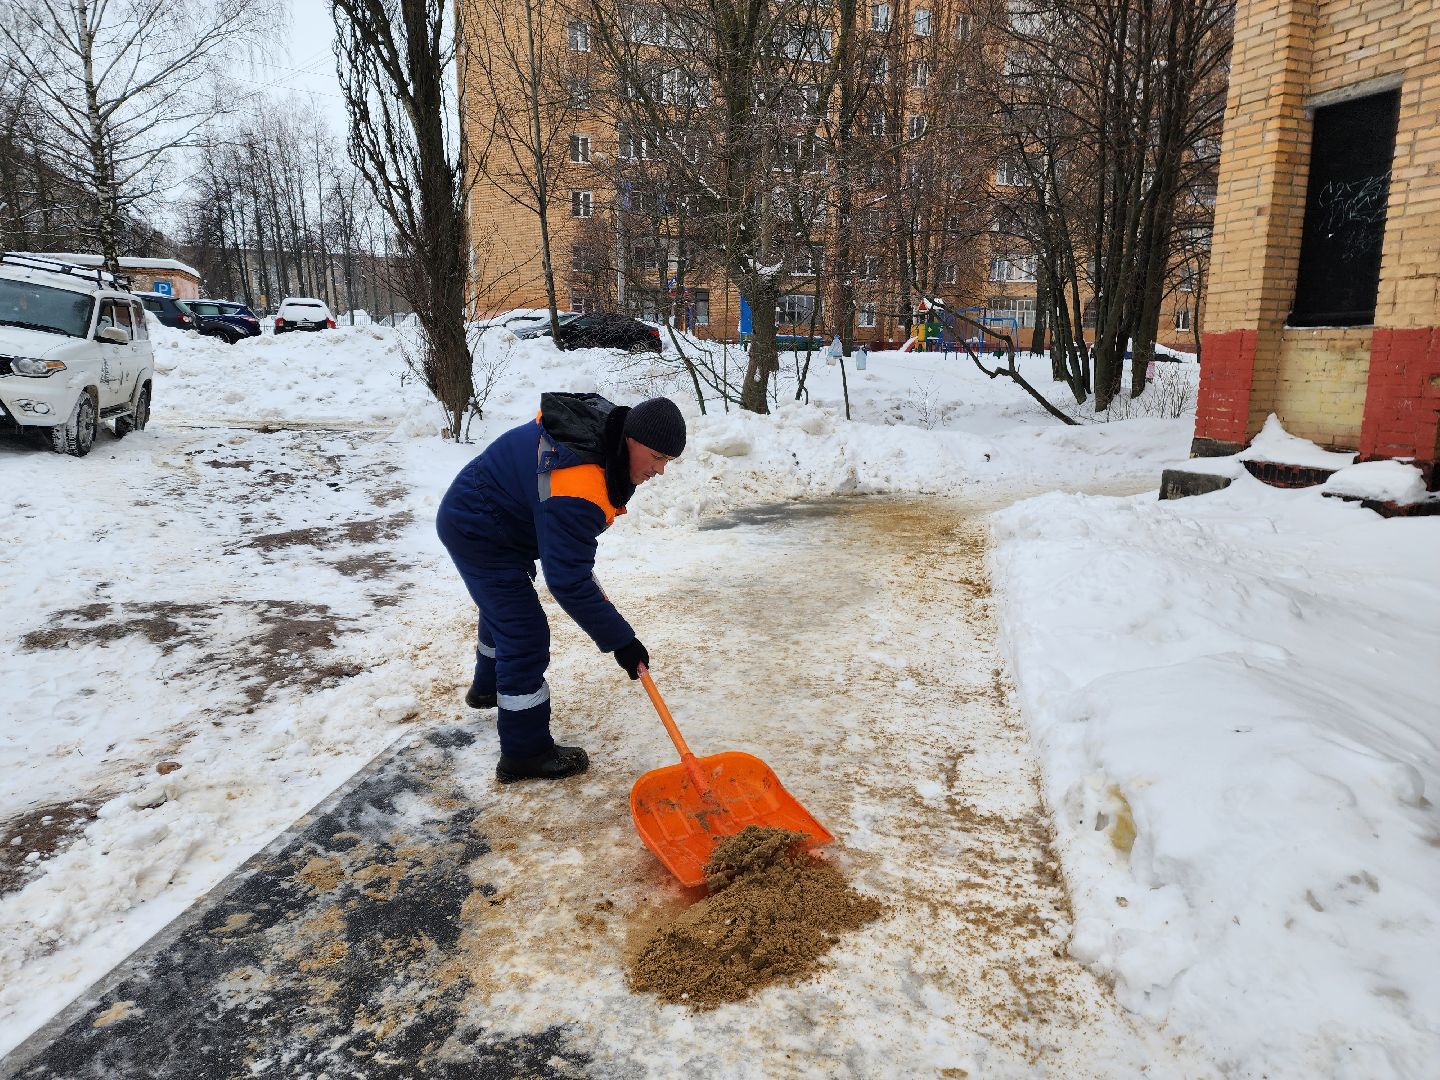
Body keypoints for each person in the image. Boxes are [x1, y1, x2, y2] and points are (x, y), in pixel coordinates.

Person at [436, 393, 686, 783]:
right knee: (523, 632)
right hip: (479, 529)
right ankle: (525, 753)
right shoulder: (579, 481)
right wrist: (622, 641)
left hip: (500, 517)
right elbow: (568, 580)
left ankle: (486, 688)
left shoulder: (605, 440)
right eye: (656, 457)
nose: (660, 470)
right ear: (631, 439)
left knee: (505, 606)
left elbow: (570, 562)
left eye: (667, 462)